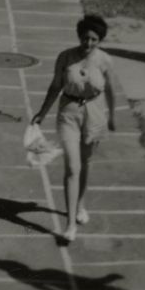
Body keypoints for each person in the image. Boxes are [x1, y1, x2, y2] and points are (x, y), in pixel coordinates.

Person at [30, 14, 117, 243]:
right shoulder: (65, 57)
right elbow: (55, 86)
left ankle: (80, 204)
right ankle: (69, 225)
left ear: (100, 40)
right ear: (79, 36)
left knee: (85, 163)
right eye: (85, 38)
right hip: (68, 113)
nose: (88, 44)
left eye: (94, 40)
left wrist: (113, 116)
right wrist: (42, 112)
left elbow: (110, 90)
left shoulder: (105, 60)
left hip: (95, 114)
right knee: (72, 167)